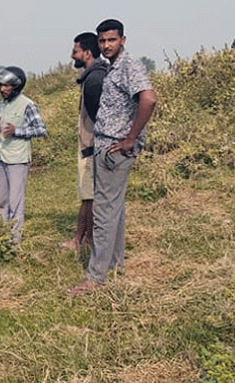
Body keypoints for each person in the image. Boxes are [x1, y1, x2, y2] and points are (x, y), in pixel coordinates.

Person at [67, 19, 157, 296]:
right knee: (114, 210)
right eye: (103, 41)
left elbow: (149, 100)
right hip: (106, 147)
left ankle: (96, 277)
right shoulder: (112, 67)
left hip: (115, 149)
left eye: (112, 40)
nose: (106, 45)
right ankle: (115, 264)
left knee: (104, 213)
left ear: (123, 40)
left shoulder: (129, 66)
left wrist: (130, 138)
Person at [59, 33, 108, 250]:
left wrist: (95, 146)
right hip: (91, 146)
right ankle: (86, 238)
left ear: (87, 53)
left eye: (75, 51)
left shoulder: (94, 80)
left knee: (88, 197)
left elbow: (100, 117)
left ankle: (80, 240)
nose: (72, 55)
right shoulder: (94, 76)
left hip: (92, 147)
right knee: (89, 196)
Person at [0, 67, 48, 244]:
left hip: (18, 160)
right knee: (3, 201)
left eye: (7, 86)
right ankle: (3, 235)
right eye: (1, 85)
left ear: (17, 86)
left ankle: (15, 241)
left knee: (16, 202)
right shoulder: (0, 105)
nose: (3, 89)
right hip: (2, 158)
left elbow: (40, 129)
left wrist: (17, 131)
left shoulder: (27, 105)